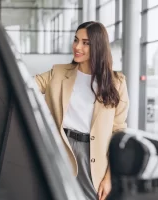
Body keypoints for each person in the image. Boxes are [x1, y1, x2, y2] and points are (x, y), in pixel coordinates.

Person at [35, 21, 129, 200]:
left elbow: (119, 133)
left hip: (94, 158)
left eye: (86, 43)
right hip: (61, 148)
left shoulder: (117, 83)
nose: (77, 47)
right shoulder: (58, 73)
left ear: (98, 46)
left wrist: (109, 178)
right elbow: (26, 84)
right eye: (76, 40)